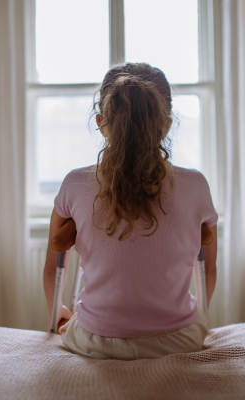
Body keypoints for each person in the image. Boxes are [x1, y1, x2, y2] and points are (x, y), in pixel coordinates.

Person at [43, 63, 218, 360]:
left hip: (96, 341)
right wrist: (200, 315)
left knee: (69, 320)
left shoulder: (75, 183)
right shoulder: (196, 184)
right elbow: (208, 270)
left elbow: (52, 268)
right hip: (180, 340)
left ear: (101, 121)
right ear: (165, 123)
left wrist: (55, 311)